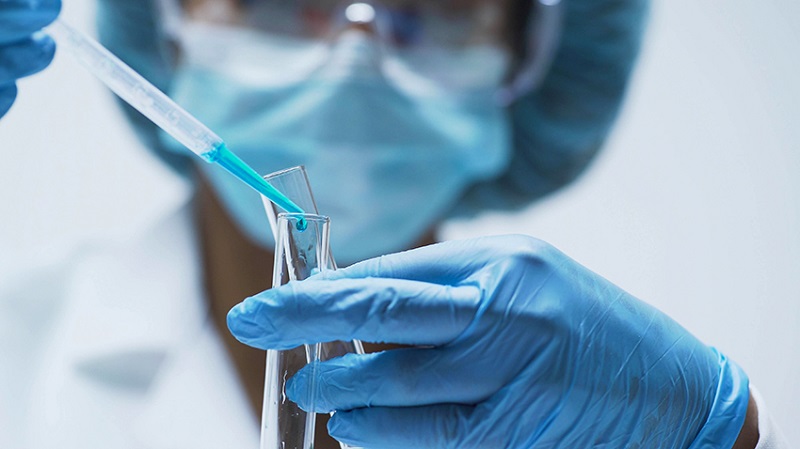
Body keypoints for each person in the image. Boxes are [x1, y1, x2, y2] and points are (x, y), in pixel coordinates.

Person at [0, 0, 788, 448]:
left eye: (441, 3)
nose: (354, 52)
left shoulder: (617, 403)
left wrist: (729, 438)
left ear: (529, 58)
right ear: (166, 27)